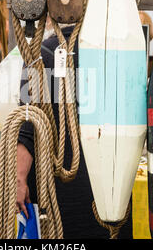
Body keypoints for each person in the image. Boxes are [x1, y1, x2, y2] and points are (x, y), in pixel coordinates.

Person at [17, 24, 133, 239]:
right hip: (110, 188)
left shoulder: (40, 55)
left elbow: (27, 126)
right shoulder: (117, 52)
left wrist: (19, 179)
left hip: (58, 190)